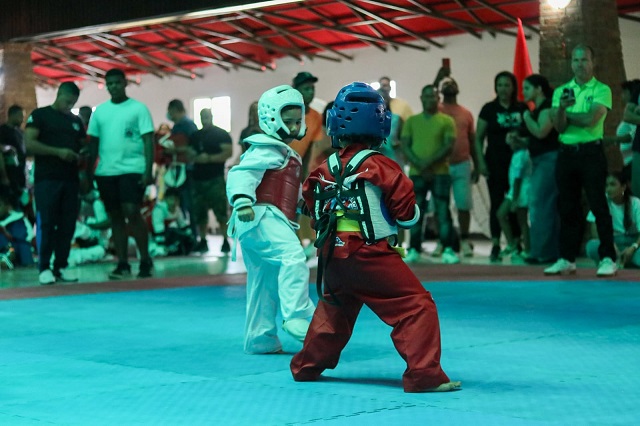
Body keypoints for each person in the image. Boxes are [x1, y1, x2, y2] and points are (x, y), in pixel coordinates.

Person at [290, 82, 460, 393]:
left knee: (335, 308)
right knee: (416, 306)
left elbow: (309, 205)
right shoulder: (382, 166)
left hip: (332, 255)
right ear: (382, 124)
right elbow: (407, 214)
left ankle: (305, 367)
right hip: (370, 254)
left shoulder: (323, 168)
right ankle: (424, 375)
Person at [226, 85, 316, 354]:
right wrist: (242, 199)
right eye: (287, 121)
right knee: (293, 257)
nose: (294, 126)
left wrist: (305, 207)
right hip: (262, 217)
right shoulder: (265, 149)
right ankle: (297, 314)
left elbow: (288, 191)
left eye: (297, 121)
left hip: (263, 220)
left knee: (263, 282)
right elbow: (242, 173)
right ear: (271, 119)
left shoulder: (284, 153)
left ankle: (260, 338)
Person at [544, 44, 617, 277]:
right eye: (575, 60)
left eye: (584, 60)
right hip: (566, 153)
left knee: (598, 203)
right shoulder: (562, 91)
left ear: (592, 62)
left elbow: (589, 120)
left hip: (591, 153)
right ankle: (567, 258)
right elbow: (559, 126)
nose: (579, 65)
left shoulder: (602, 89)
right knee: (567, 206)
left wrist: (565, 111)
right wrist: (561, 111)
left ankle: (608, 257)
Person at [87, 68, 155, 279]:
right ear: (106, 85)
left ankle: (145, 260)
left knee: (132, 211)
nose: (114, 86)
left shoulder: (138, 109)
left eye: (118, 82)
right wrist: (88, 175)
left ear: (125, 83)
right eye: (110, 83)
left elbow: (148, 141)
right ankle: (123, 262)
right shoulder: (100, 112)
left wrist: (148, 171)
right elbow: (93, 145)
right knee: (115, 216)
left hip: (132, 169)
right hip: (106, 171)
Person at [25, 82, 85, 285]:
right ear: (59, 94)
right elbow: (29, 143)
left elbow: (82, 147)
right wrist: (58, 152)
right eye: (67, 101)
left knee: (67, 225)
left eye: (73, 102)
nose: (69, 105)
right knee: (47, 223)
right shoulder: (40, 116)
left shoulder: (76, 122)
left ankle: (61, 265)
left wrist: (81, 156)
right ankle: (44, 266)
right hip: (47, 179)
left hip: (70, 180)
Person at [401, 85, 459, 264]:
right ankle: (414, 249)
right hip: (417, 173)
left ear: (438, 98)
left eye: (433, 96)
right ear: (421, 98)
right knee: (416, 211)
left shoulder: (447, 121)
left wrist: (428, 164)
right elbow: (405, 145)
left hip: (440, 173)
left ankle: (447, 249)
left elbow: (448, 146)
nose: (429, 99)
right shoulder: (411, 121)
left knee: (443, 211)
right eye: (426, 96)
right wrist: (420, 164)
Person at [475, 71, 528, 261]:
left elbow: (531, 133)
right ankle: (497, 243)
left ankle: (517, 242)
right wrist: (480, 162)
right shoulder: (489, 109)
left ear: (513, 87)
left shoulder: (522, 108)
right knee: (497, 203)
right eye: (500, 85)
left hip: (518, 165)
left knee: (516, 203)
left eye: (507, 85)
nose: (503, 89)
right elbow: (478, 138)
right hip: (495, 163)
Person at [521, 74, 560, 264]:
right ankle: (544, 250)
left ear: (538, 89)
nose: (523, 92)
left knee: (540, 205)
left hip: (548, 161)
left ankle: (542, 252)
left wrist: (527, 117)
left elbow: (541, 132)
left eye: (527, 88)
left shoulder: (546, 108)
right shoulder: (539, 109)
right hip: (540, 161)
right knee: (542, 205)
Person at [437, 76, 477, 257]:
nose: (449, 85)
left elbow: (473, 141)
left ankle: (465, 240)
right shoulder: (435, 111)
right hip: (440, 166)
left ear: (458, 89)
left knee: (463, 204)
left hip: (462, 164)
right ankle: (442, 241)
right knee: (441, 205)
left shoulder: (466, 113)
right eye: (445, 84)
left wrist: (477, 164)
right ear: (440, 90)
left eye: (452, 83)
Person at [290, 71, 325, 257]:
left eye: (312, 88)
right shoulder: (286, 112)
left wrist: (304, 174)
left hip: (297, 168)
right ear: (296, 91)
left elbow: (311, 147)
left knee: (296, 209)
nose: (310, 92)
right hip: (278, 166)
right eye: (306, 89)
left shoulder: (317, 117)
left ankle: (297, 250)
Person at [188, 108, 232, 253]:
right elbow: (189, 153)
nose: (205, 118)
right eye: (202, 116)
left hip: (215, 179)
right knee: (199, 213)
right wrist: (197, 158)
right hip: (198, 179)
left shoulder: (221, 134)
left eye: (207, 116)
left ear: (212, 117)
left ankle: (225, 240)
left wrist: (210, 159)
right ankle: (203, 240)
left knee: (220, 212)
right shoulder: (195, 136)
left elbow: (228, 152)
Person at [585, 172, 640, 268]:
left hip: (633, 242)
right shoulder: (601, 202)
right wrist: (610, 244)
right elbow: (595, 231)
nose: (608, 189)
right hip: (611, 241)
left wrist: (633, 248)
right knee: (591, 246)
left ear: (623, 187)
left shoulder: (635, 203)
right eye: (606, 185)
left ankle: (624, 259)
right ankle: (617, 259)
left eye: (613, 185)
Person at [166, 99, 199, 236]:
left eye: (170, 111)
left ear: (176, 109)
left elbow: (194, 147)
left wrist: (176, 150)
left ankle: (193, 235)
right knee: (179, 203)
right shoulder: (176, 126)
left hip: (188, 170)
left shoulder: (188, 126)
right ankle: (181, 232)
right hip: (176, 168)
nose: (169, 115)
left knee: (189, 203)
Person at [496, 132, 531, 258]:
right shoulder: (523, 154)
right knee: (519, 220)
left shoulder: (520, 156)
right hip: (518, 190)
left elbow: (517, 179)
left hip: (519, 192)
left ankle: (525, 249)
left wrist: (515, 199)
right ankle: (514, 245)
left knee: (520, 220)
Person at [151, 187, 194, 256]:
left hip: (168, 237)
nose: (173, 202)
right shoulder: (159, 210)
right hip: (154, 238)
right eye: (171, 199)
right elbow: (158, 230)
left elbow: (183, 226)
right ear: (165, 199)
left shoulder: (177, 210)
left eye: (176, 200)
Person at [0, 105, 27, 209]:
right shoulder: (2, 130)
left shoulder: (20, 132)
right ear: (12, 115)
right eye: (20, 116)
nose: (22, 120)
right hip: (8, 174)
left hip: (20, 175)